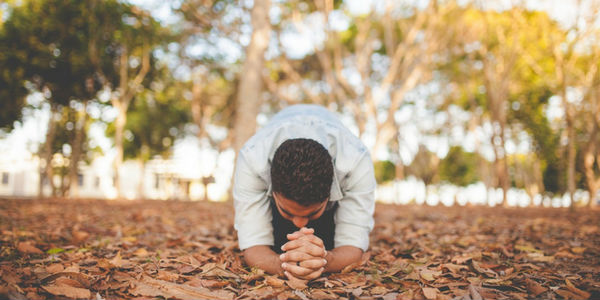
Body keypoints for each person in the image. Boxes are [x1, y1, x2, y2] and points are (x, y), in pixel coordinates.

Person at [233, 104, 375, 280]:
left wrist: (325, 260)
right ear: (272, 190)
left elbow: (353, 243)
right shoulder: (252, 158)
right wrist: (281, 263)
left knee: (326, 237)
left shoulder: (356, 160)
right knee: (280, 241)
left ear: (329, 194)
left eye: (313, 211)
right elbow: (253, 244)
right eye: (287, 210)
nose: (300, 223)